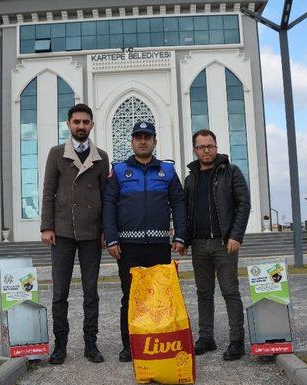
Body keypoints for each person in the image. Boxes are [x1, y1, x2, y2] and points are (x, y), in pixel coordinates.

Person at [103, 121, 187, 362]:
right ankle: (130, 345)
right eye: (138, 137)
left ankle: (157, 341)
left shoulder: (167, 171)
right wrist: (111, 239)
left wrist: (180, 235)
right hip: (128, 248)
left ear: (154, 141)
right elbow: (109, 205)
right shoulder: (118, 171)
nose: (142, 141)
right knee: (130, 297)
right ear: (132, 142)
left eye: (147, 137)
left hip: (160, 246)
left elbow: (178, 203)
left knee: (159, 297)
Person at [40, 103, 109, 365]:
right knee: (60, 292)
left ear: (92, 125)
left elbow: (106, 196)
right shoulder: (57, 153)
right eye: (76, 122)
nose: (81, 126)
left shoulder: (101, 156)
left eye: (85, 122)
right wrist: (47, 226)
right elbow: (48, 191)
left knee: (91, 291)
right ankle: (61, 345)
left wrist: (106, 231)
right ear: (68, 124)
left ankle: (91, 344)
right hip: (63, 232)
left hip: (92, 233)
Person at [182, 129, 251, 360]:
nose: (206, 150)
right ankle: (206, 338)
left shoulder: (231, 172)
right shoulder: (190, 179)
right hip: (199, 245)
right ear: (195, 150)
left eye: (210, 146)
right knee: (204, 293)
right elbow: (186, 212)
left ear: (216, 146)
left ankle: (236, 340)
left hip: (224, 243)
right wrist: (183, 238)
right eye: (201, 147)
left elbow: (244, 205)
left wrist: (235, 236)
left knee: (230, 292)